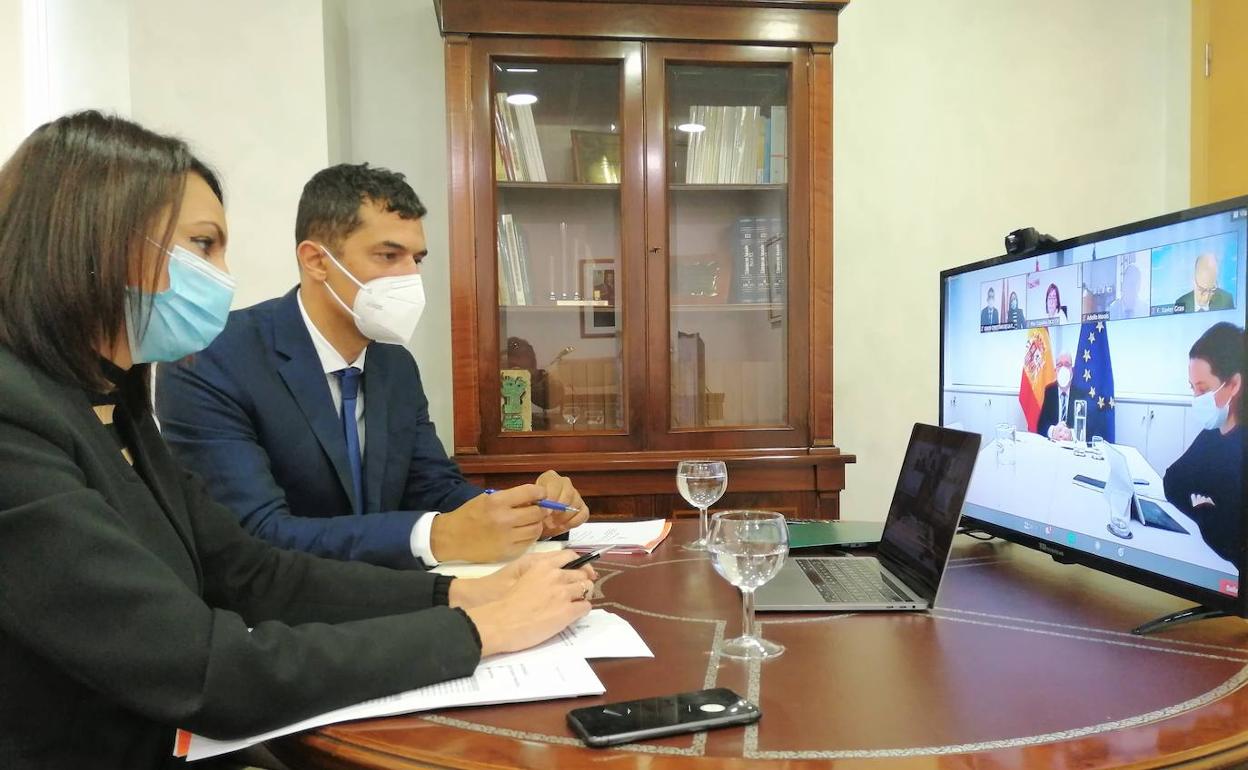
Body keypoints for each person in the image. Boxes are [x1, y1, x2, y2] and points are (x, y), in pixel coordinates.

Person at [0, 112, 596, 769]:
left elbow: (257, 573)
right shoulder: (15, 420)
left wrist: (460, 593)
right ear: (97, 241)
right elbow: (201, 665)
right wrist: (479, 630)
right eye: (203, 245)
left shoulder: (116, 406)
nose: (223, 276)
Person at [156, 164, 589, 569]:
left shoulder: (394, 365)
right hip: (279, 622)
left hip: (396, 599)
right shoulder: (212, 358)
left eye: (416, 260)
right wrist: (435, 537)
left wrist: (524, 512)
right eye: (388, 255)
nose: (409, 277)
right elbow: (255, 535)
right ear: (317, 260)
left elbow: (433, 489)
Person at [1163, 322, 1243, 563]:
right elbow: (1173, 481)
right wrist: (1205, 508)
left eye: (1203, 389)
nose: (1197, 399)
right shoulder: (1212, 433)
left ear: (1233, 385)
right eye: (1193, 389)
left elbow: (1232, 541)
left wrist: (1201, 508)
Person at [1036, 353, 1103, 441]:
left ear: (1072, 370)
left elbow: (1091, 427)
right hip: (1054, 445)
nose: (1063, 369)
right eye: (1060, 365)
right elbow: (1041, 425)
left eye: (1067, 365)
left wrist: (1072, 434)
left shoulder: (1081, 394)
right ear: (1055, 370)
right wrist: (1053, 431)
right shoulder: (1050, 391)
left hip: (1073, 446)